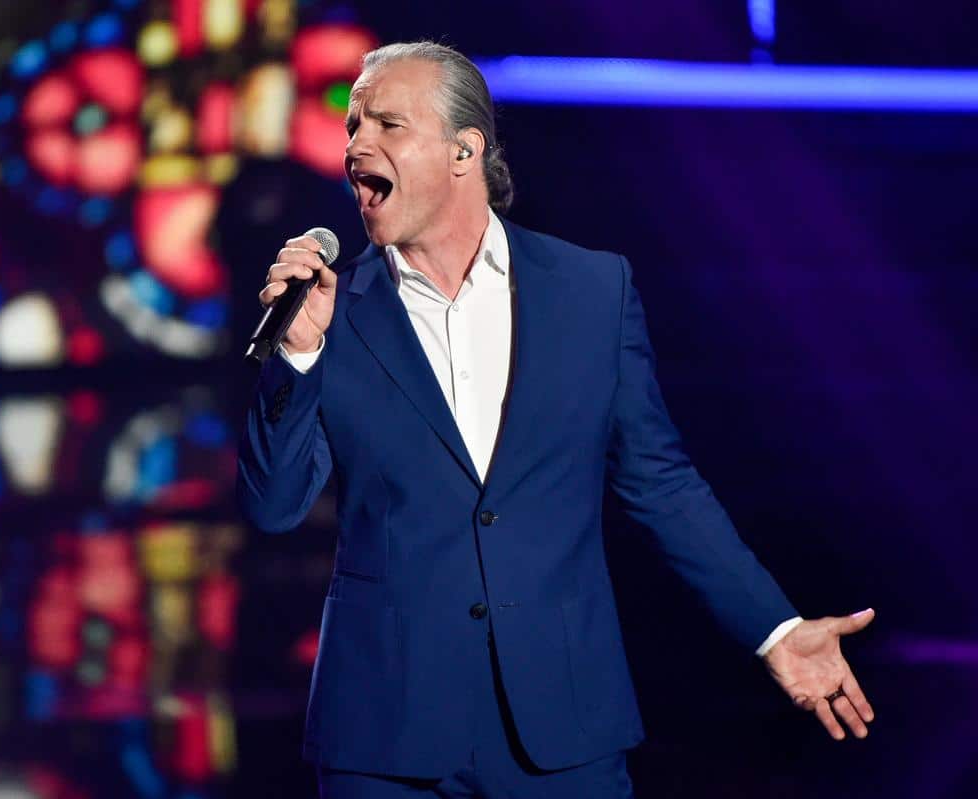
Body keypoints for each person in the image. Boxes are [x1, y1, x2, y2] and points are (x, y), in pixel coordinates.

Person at [236, 41, 875, 798]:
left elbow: (661, 486)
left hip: (561, 727)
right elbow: (273, 507)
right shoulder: (333, 311)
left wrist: (775, 629)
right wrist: (298, 355)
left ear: (464, 150)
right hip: (384, 733)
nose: (355, 147)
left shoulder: (590, 291)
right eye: (352, 126)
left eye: (387, 124)